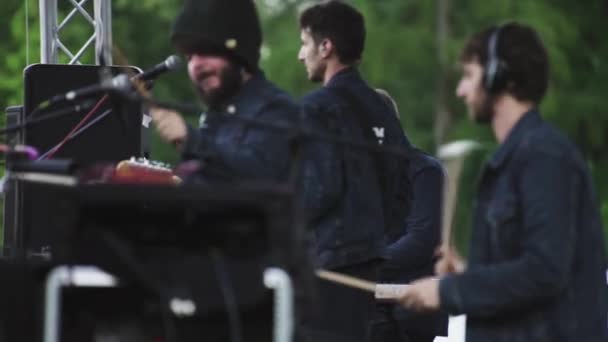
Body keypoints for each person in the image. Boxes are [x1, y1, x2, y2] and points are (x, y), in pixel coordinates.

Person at [398, 22, 608, 342]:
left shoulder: (546, 157)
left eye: (469, 75)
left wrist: (450, 291)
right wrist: (471, 273)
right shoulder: (516, 160)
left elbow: (544, 273)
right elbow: (525, 277)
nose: (461, 91)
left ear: (499, 76)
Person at [296, 1, 412, 341]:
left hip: (325, 267)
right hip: (369, 264)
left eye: (305, 44)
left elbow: (317, 190)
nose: (301, 55)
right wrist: (376, 236)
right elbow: (402, 186)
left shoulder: (317, 107)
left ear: (326, 46)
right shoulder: (382, 108)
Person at [371, 89, 447, 342]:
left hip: (411, 312)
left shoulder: (426, 171)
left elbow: (422, 241)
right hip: (367, 305)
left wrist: (363, 264)